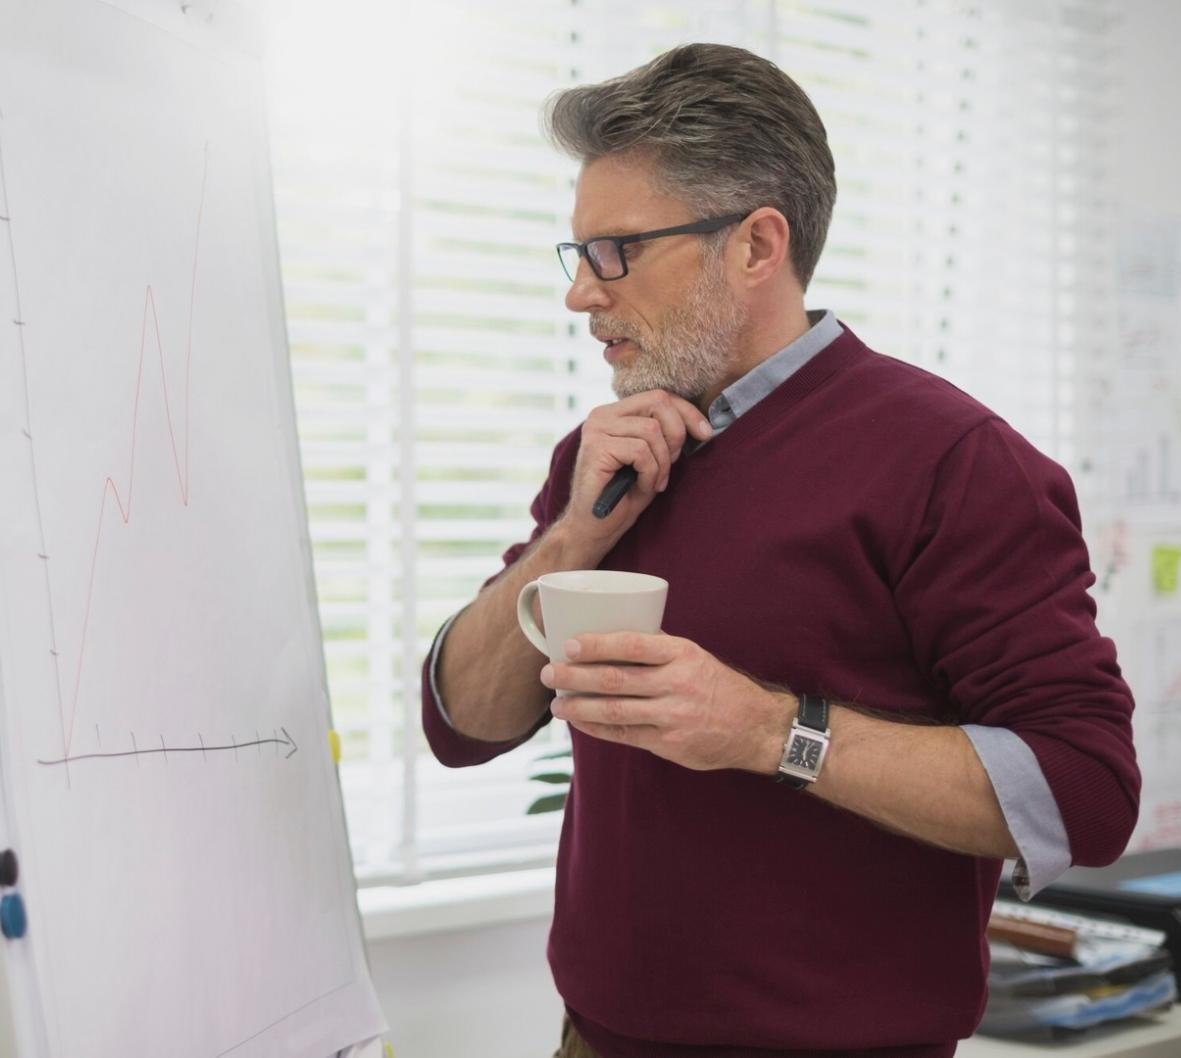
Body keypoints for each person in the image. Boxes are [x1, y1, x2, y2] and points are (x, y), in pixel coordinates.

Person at [420, 43, 1140, 1058]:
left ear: (757, 245)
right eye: (577, 253)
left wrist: (767, 730)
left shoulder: (952, 461)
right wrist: (576, 532)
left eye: (615, 251)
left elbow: (1084, 792)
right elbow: (462, 721)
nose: (581, 293)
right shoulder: (609, 458)